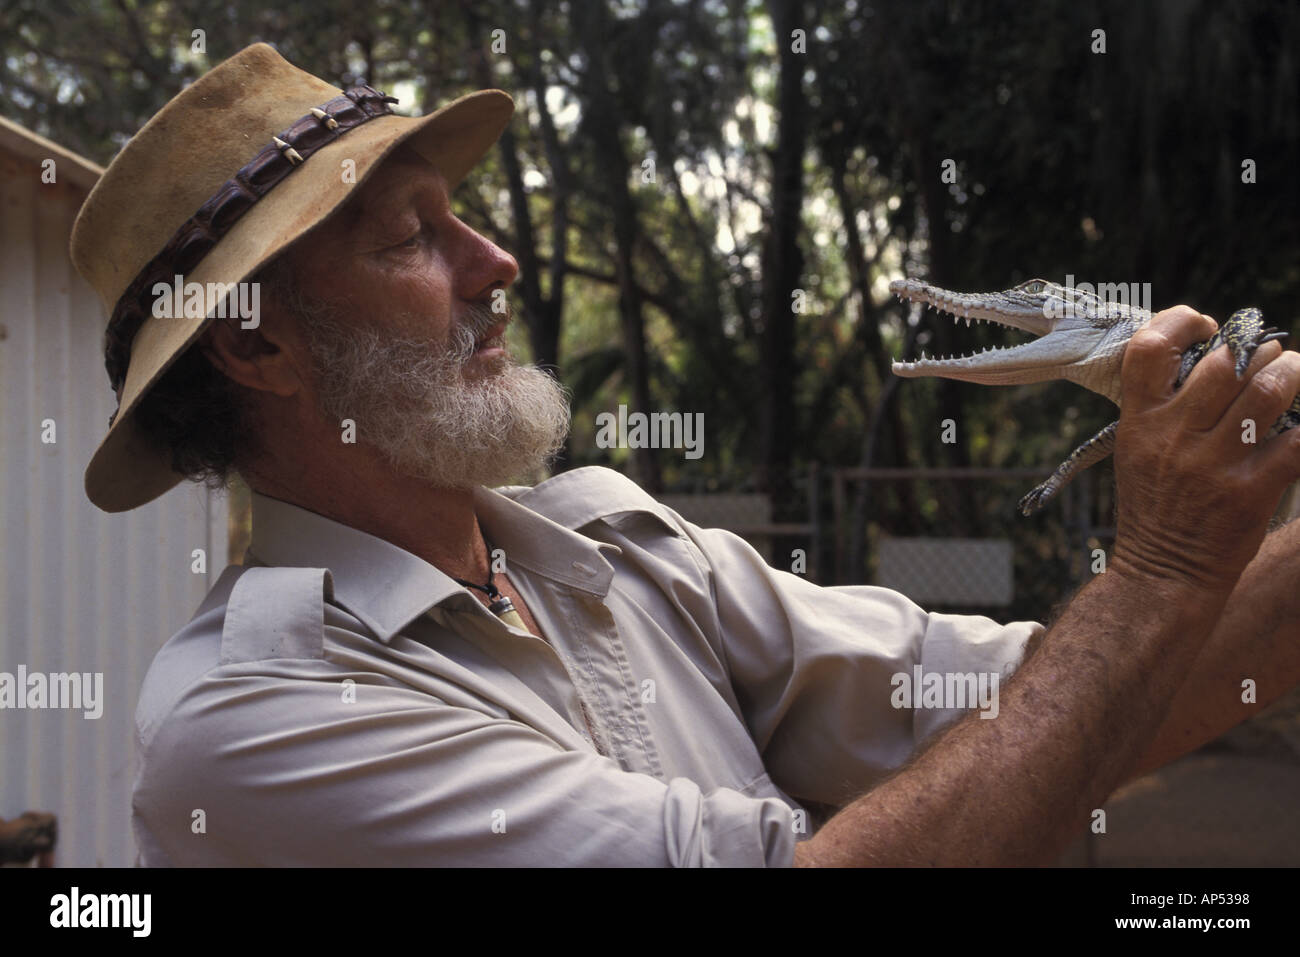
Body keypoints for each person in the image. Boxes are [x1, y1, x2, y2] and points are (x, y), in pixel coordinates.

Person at [72, 43, 1300, 866]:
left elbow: (1050, 702)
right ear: (257, 347)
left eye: (463, 216)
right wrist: (1159, 572)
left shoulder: (616, 545)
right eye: (409, 238)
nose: (496, 263)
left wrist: (1209, 556)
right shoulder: (252, 721)